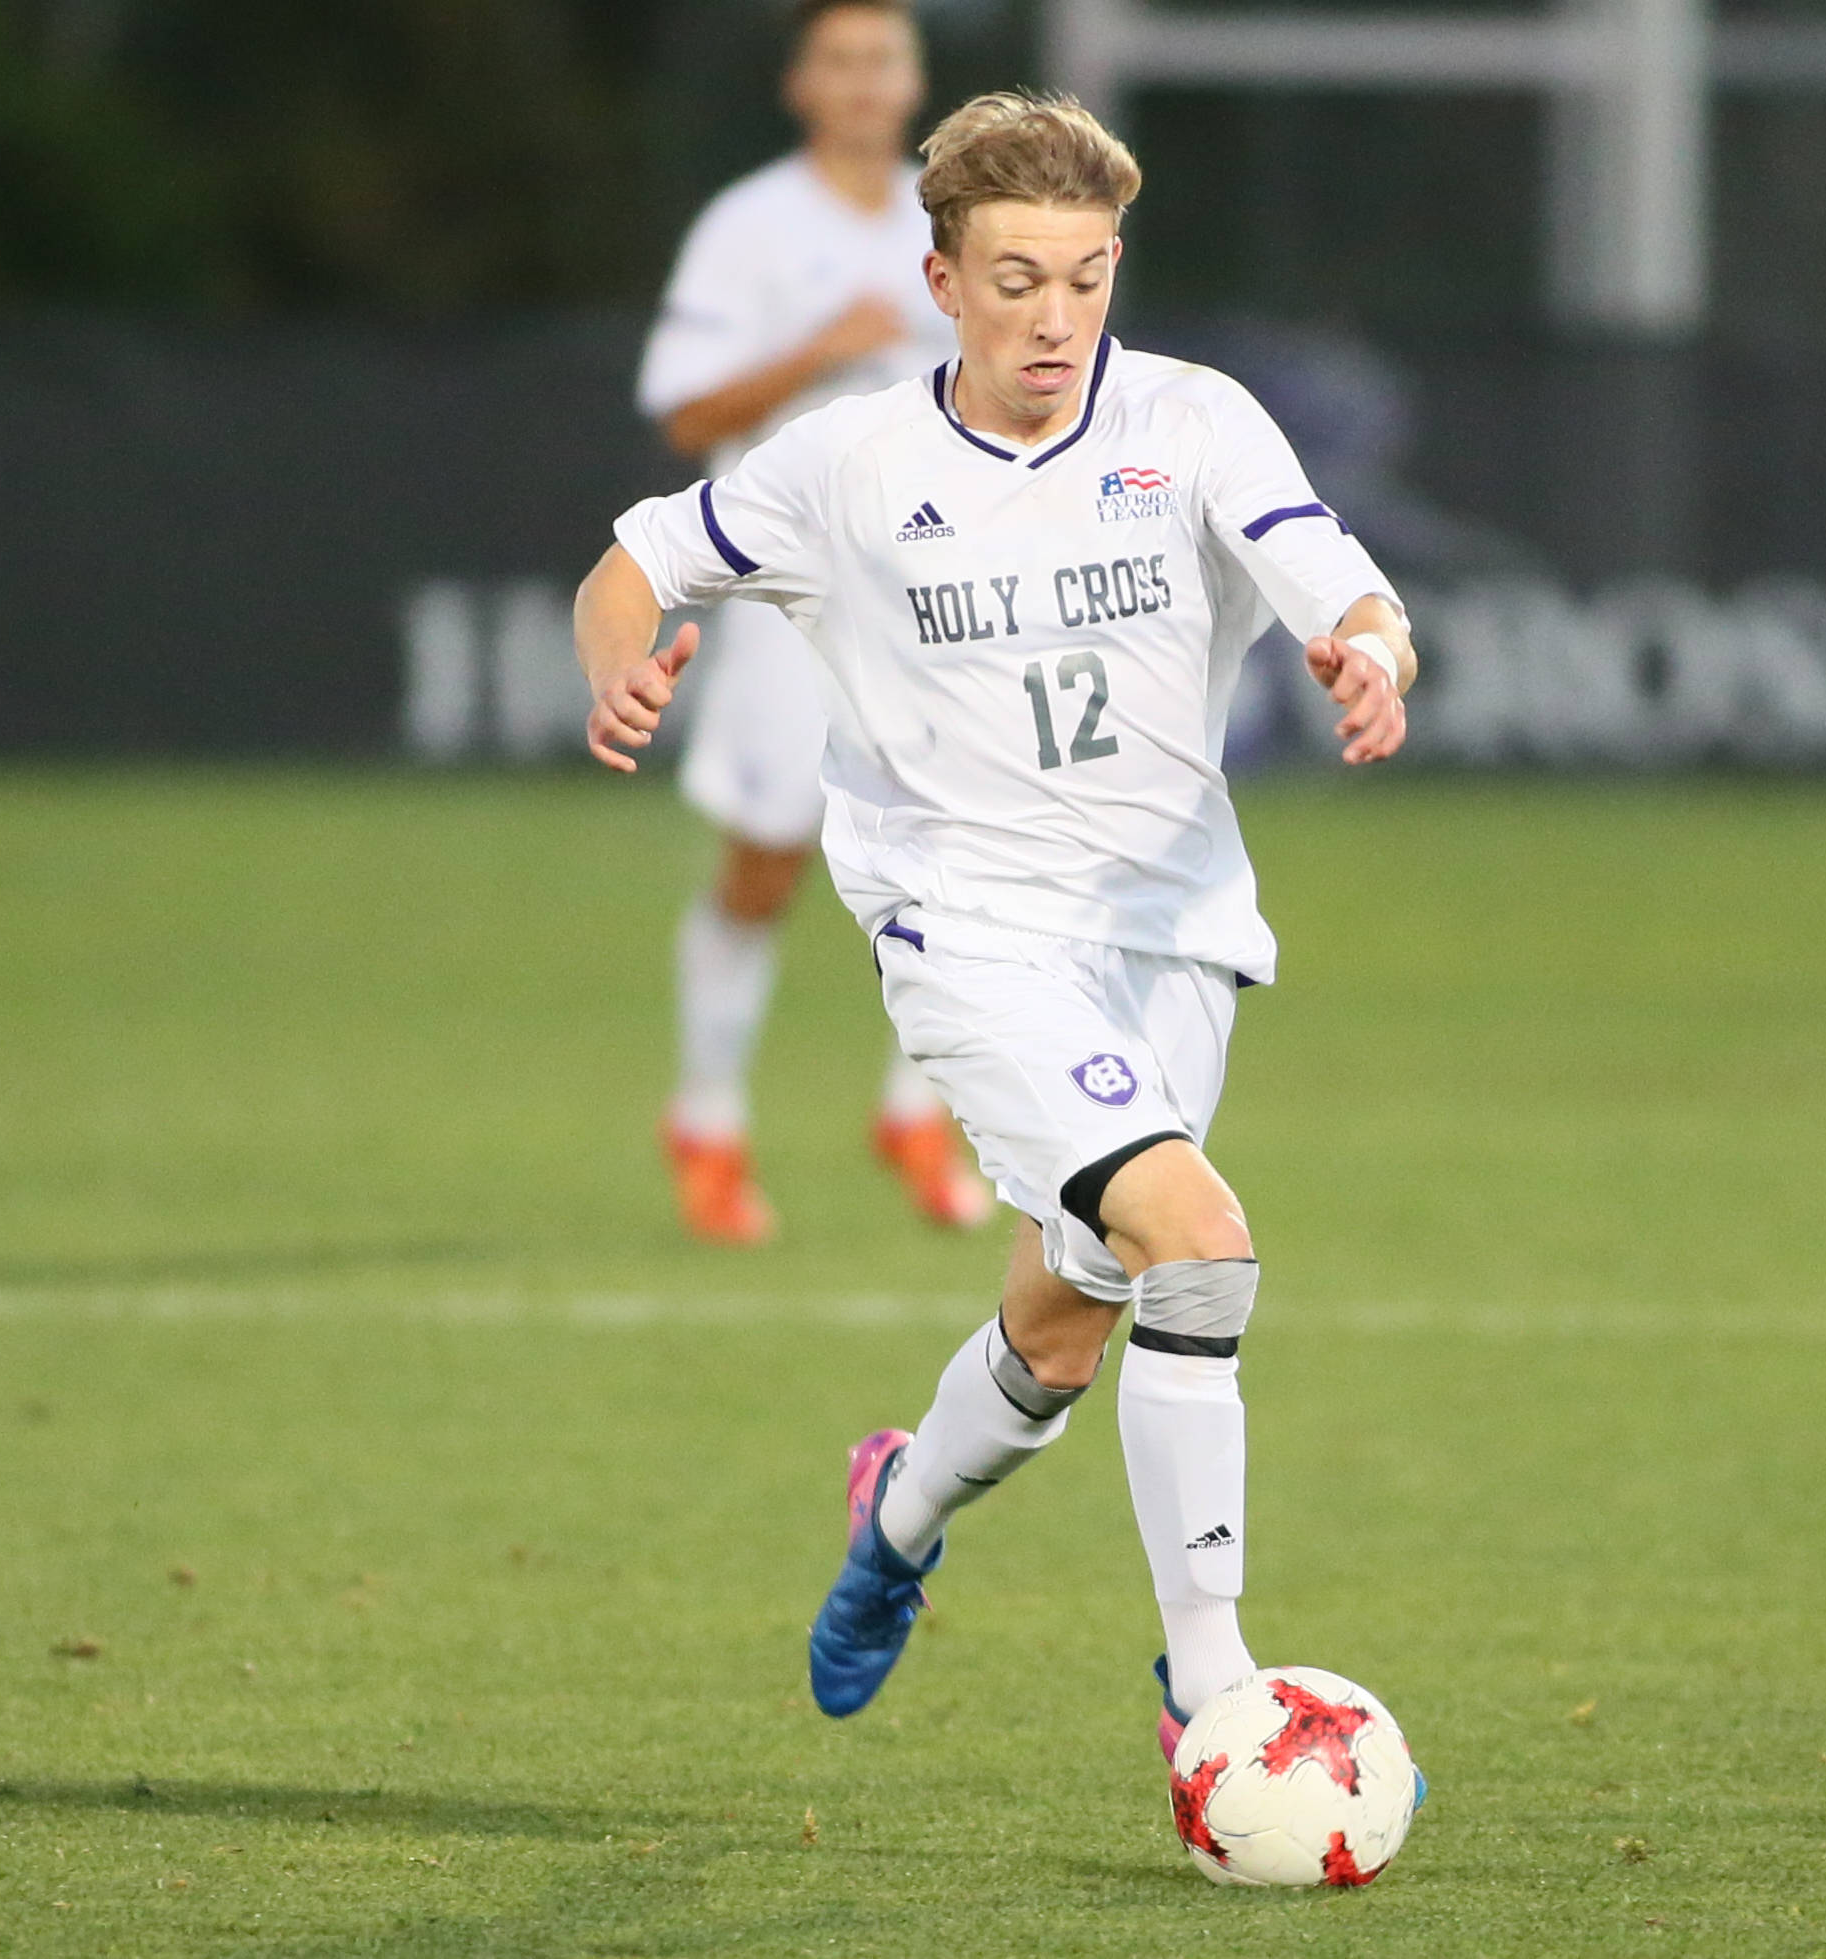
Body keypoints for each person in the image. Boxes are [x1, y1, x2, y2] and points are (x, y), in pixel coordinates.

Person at [576, 92, 1421, 1774]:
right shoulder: (849, 462)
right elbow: (634, 556)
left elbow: (1335, 572)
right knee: (1195, 1236)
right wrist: (622, 657)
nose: (1055, 319)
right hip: (963, 929)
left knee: (1064, 1316)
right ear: (941, 277)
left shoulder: (1191, 423)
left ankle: (892, 1511)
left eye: (1087, 278)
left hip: (1170, 931)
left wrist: (1369, 651)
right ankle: (1212, 1687)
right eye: (1017, 279)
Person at [640, 0, 987, 1246]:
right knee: (769, 855)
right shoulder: (750, 226)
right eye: (839, 59)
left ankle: (917, 1110)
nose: (861, 80)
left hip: (938, 596)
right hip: (793, 590)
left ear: (913, 83)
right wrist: (817, 347)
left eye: (882, 59)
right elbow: (684, 416)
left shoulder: (952, 221)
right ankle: (708, 1119)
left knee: (975, 860)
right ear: (802, 81)